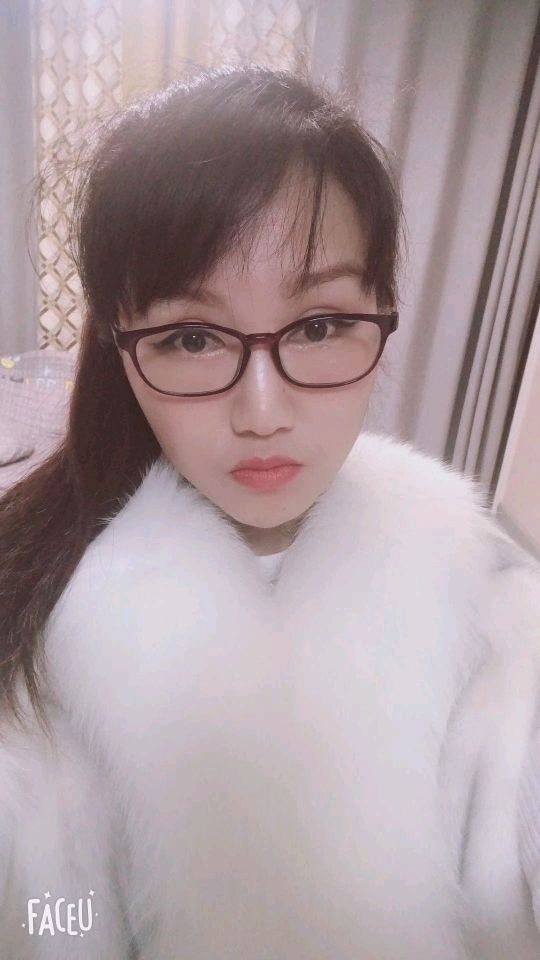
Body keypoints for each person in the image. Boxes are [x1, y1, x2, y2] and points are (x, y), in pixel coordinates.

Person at [0, 62, 539, 960]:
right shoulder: (31, 630)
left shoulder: (500, 609)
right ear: (121, 347)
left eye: (320, 325)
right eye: (192, 337)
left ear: (382, 313)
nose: (262, 412)